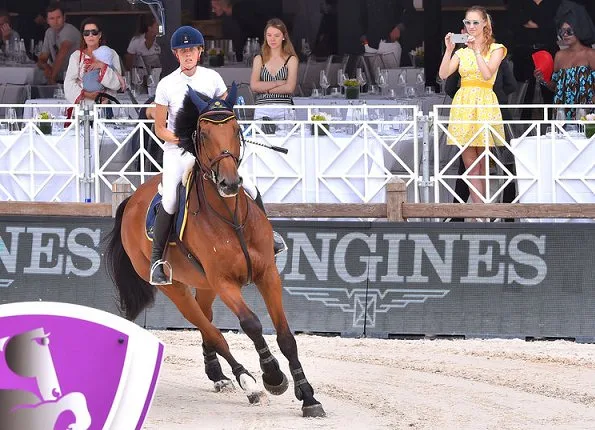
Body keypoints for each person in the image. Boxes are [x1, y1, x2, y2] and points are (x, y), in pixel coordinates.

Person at [150, 25, 286, 286]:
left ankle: (270, 237)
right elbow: (159, 128)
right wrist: (182, 139)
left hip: (209, 149)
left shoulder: (211, 78)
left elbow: (226, 112)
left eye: (191, 50)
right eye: (182, 51)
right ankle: (157, 260)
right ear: (176, 55)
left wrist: (228, 136)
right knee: (169, 198)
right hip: (178, 149)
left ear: (200, 52)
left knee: (250, 185)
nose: (187, 55)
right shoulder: (167, 84)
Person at [439, 6, 506, 204]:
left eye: (475, 22)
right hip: (464, 104)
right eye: (467, 23)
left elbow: (487, 74)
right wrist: (450, 50)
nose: (471, 27)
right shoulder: (461, 53)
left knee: (484, 163)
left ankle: (482, 211)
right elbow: (443, 74)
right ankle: (479, 212)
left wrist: (477, 51)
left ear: (485, 23)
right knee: (470, 164)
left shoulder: (497, 49)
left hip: (485, 102)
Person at [535, 1, 595, 119]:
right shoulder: (559, 56)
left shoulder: (590, 54)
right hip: (562, 114)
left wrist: (588, 109)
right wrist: (543, 79)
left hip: (585, 115)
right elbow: (556, 87)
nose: (565, 35)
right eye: (562, 31)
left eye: (569, 31)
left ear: (579, 29)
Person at [508, 0, 560, 113]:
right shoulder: (517, 3)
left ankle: (551, 127)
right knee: (524, 93)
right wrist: (543, 24)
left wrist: (532, 23)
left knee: (549, 92)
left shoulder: (554, 3)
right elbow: (516, 21)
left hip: (548, 51)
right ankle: (522, 129)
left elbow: (556, 24)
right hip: (523, 53)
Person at [63, 17, 123, 106]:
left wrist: (102, 66)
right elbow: (68, 84)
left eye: (94, 32)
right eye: (86, 33)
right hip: (82, 107)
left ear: (100, 35)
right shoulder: (76, 56)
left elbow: (117, 84)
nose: (90, 35)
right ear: (83, 36)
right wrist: (88, 95)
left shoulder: (111, 53)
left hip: (105, 106)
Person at [250, 18, 298, 123]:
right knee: (259, 139)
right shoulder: (259, 59)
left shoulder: (291, 59)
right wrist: (278, 83)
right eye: (269, 35)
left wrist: (266, 89)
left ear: (284, 37)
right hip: (262, 108)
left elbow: (289, 88)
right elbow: (254, 86)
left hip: (284, 108)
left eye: (277, 36)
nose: (272, 39)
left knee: (288, 138)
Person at [37, 2, 81, 84]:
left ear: (64, 18)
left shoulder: (69, 30)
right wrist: (46, 66)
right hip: (61, 77)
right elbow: (42, 58)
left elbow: (61, 55)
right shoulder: (49, 32)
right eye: (52, 18)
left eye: (58, 17)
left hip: (76, 78)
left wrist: (52, 78)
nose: (55, 21)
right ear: (47, 21)